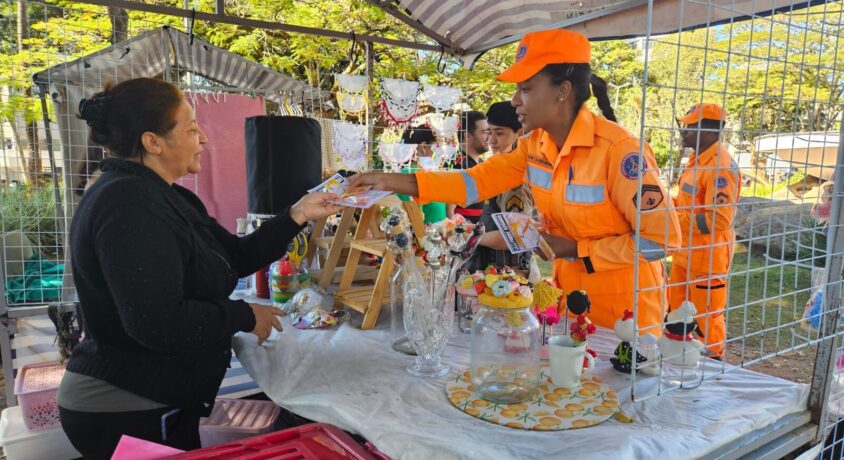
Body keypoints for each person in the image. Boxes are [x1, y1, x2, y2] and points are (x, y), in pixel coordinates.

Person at [58, 77, 341, 458]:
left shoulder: (168, 197)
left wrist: (297, 214)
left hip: (150, 399)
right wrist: (241, 315)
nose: (203, 139)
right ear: (152, 141)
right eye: (191, 129)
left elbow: (237, 258)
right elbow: (155, 322)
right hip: (126, 407)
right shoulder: (127, 203)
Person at [351, 29, 680, 333]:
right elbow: (473, 183)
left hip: (628, 314)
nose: (514, 101)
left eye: (525, 89)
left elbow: (661, 241)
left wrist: (580, 249)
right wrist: (388, 180)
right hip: (568, 300)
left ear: (562, 91)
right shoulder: (535, 145)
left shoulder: (619, 151)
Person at [669, 103, 741, 359]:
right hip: (684, 255)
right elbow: (688, 203)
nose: (683, 131)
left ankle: (712, 362)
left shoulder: (719, 167)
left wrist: (675, 221)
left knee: (706, 320)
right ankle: (678, 356)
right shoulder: (696, 161)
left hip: (707, 261)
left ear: (710, 132)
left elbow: (718, 219)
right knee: (676, 314)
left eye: (690, 126)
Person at [474, 101, 537, 275]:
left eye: (499, 133)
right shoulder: (502, 170)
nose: (492, 141)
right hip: (499, 271)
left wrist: (471, 237)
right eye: (489, 133)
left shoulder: (515, 178)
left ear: (520, 133)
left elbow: (517, 237)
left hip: (513, 277)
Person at [396, 125, 447, 224]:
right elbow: (411, 218)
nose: (439, 152)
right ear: (424, 147)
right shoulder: (411, 174)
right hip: (422, 237)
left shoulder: (424, 172)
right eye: (436, 147)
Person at [448, 110, 488, 222]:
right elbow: (449, 210)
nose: (489, 136)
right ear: (468, 136)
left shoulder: (482, 163)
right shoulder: (456, 164)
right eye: (484, 132)